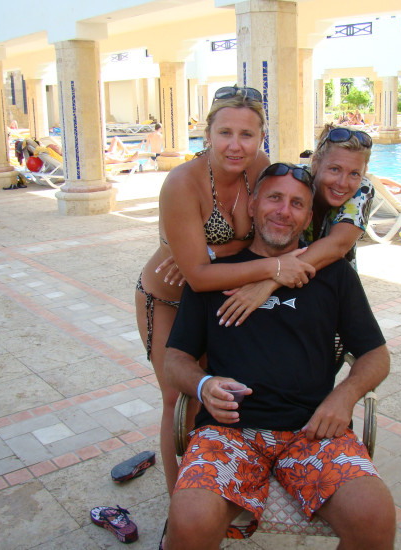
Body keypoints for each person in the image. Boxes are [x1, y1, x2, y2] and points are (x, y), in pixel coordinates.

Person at [163, 164, 395, 550]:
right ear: (252, 205)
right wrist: (203, 385)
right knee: (188, 521)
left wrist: (345, 395)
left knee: (374, 517)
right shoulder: (216, 276)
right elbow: (175, 359)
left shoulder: (334, 275)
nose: (284, 211)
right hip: (228, 432)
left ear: (308, 216)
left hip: (314, 432)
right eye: (274, 198)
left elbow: (376, 355)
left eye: (297, 204)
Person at [135, 86, 314, 494]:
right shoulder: (183, 183)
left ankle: (214, 484)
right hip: (169, 299)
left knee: (212, 395)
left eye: (247, 135)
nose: (236, 145)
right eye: (225, 133)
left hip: (218, 299)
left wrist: (213, 253)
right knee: (176, 399)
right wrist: (274, 268)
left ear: (261, 137)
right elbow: (197, 276)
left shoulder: (261, 168)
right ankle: (177, 503)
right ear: (208, 134)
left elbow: (271, 233)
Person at [215, 124, 375, 327]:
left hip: (329, 284)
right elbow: (258, 228)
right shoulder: (295, 181)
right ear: (315, 163)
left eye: (354, 173)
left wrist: (269, 283)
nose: (343, 183)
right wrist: (205, 256)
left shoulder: (362, 189)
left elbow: (338, 244)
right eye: (334, 169)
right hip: (282, 282)